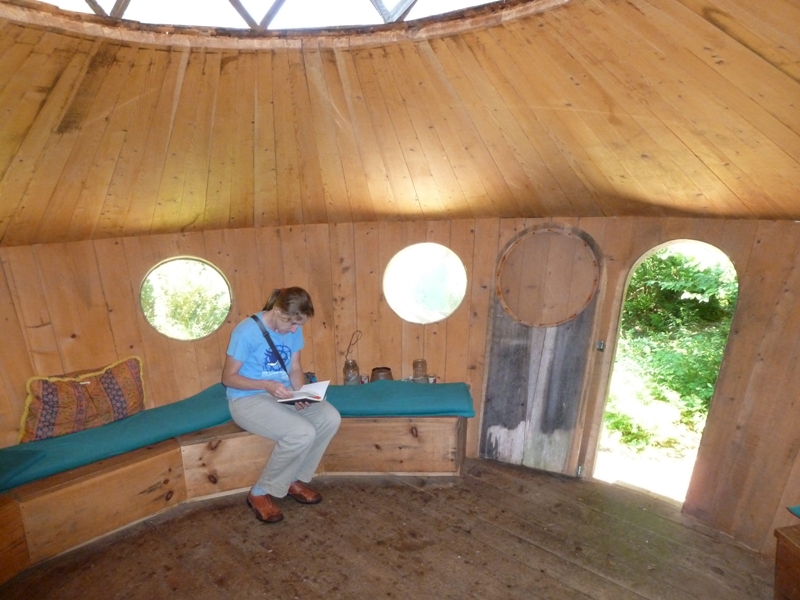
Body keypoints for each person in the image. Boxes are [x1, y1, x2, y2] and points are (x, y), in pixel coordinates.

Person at [222, 287, 341, 523]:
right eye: (291, 324)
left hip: (283, 393)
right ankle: (259, 493)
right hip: (247, 398)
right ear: (277, 311)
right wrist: (266, 385)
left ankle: (291, 480)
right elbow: (228, 378)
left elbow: (295, 368)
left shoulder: (293, 327)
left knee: (330, 418)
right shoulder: (246, 332)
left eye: (300, 325)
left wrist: (301, 394)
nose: (295, 330)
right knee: (301, 432)